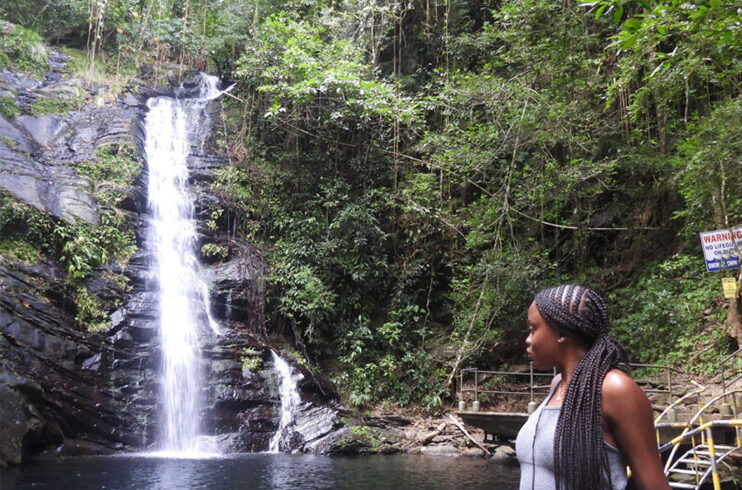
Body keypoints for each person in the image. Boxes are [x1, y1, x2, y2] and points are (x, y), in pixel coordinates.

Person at [514, 284, 671, 490]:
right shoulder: (557, 385)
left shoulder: (614, 389)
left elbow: (654, 485)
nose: (528, 339)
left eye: (533, 329)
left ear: (561, 332)